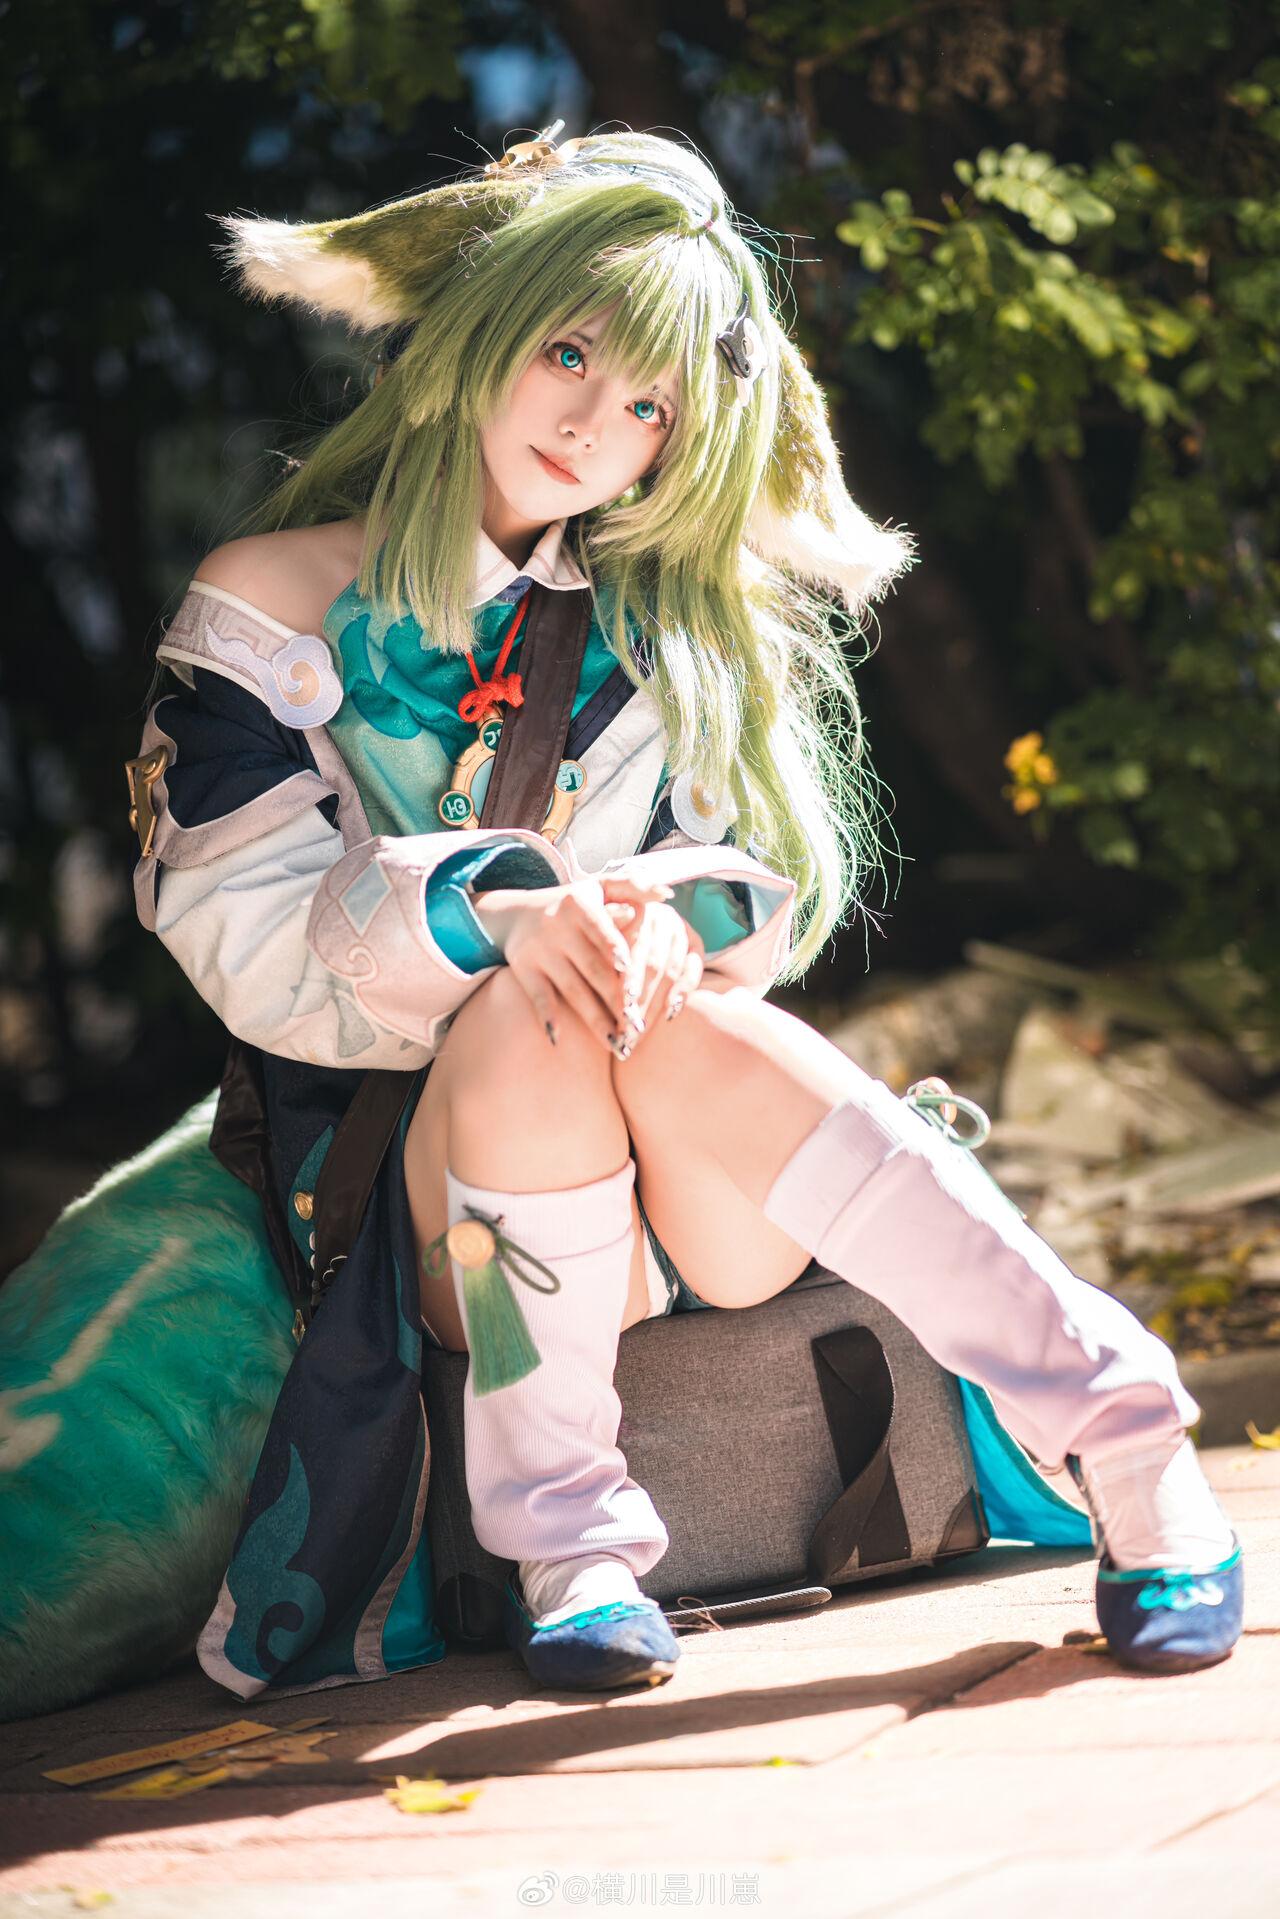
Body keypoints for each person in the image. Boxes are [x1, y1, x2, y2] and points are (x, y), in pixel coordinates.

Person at [129, 125, 1241, 1699]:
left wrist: (661, 916)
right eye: (569, 352)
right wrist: (510, 917)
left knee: (665, 999)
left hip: (698, 1194)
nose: (597, 423)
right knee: (533, 1004)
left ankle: (1130, 1446)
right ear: (476, 331)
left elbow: (756, 888)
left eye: (650, 403)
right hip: (431, 1196)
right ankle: (574, 1551)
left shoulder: (673, 619)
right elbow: (240, 938)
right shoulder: (269, 599)